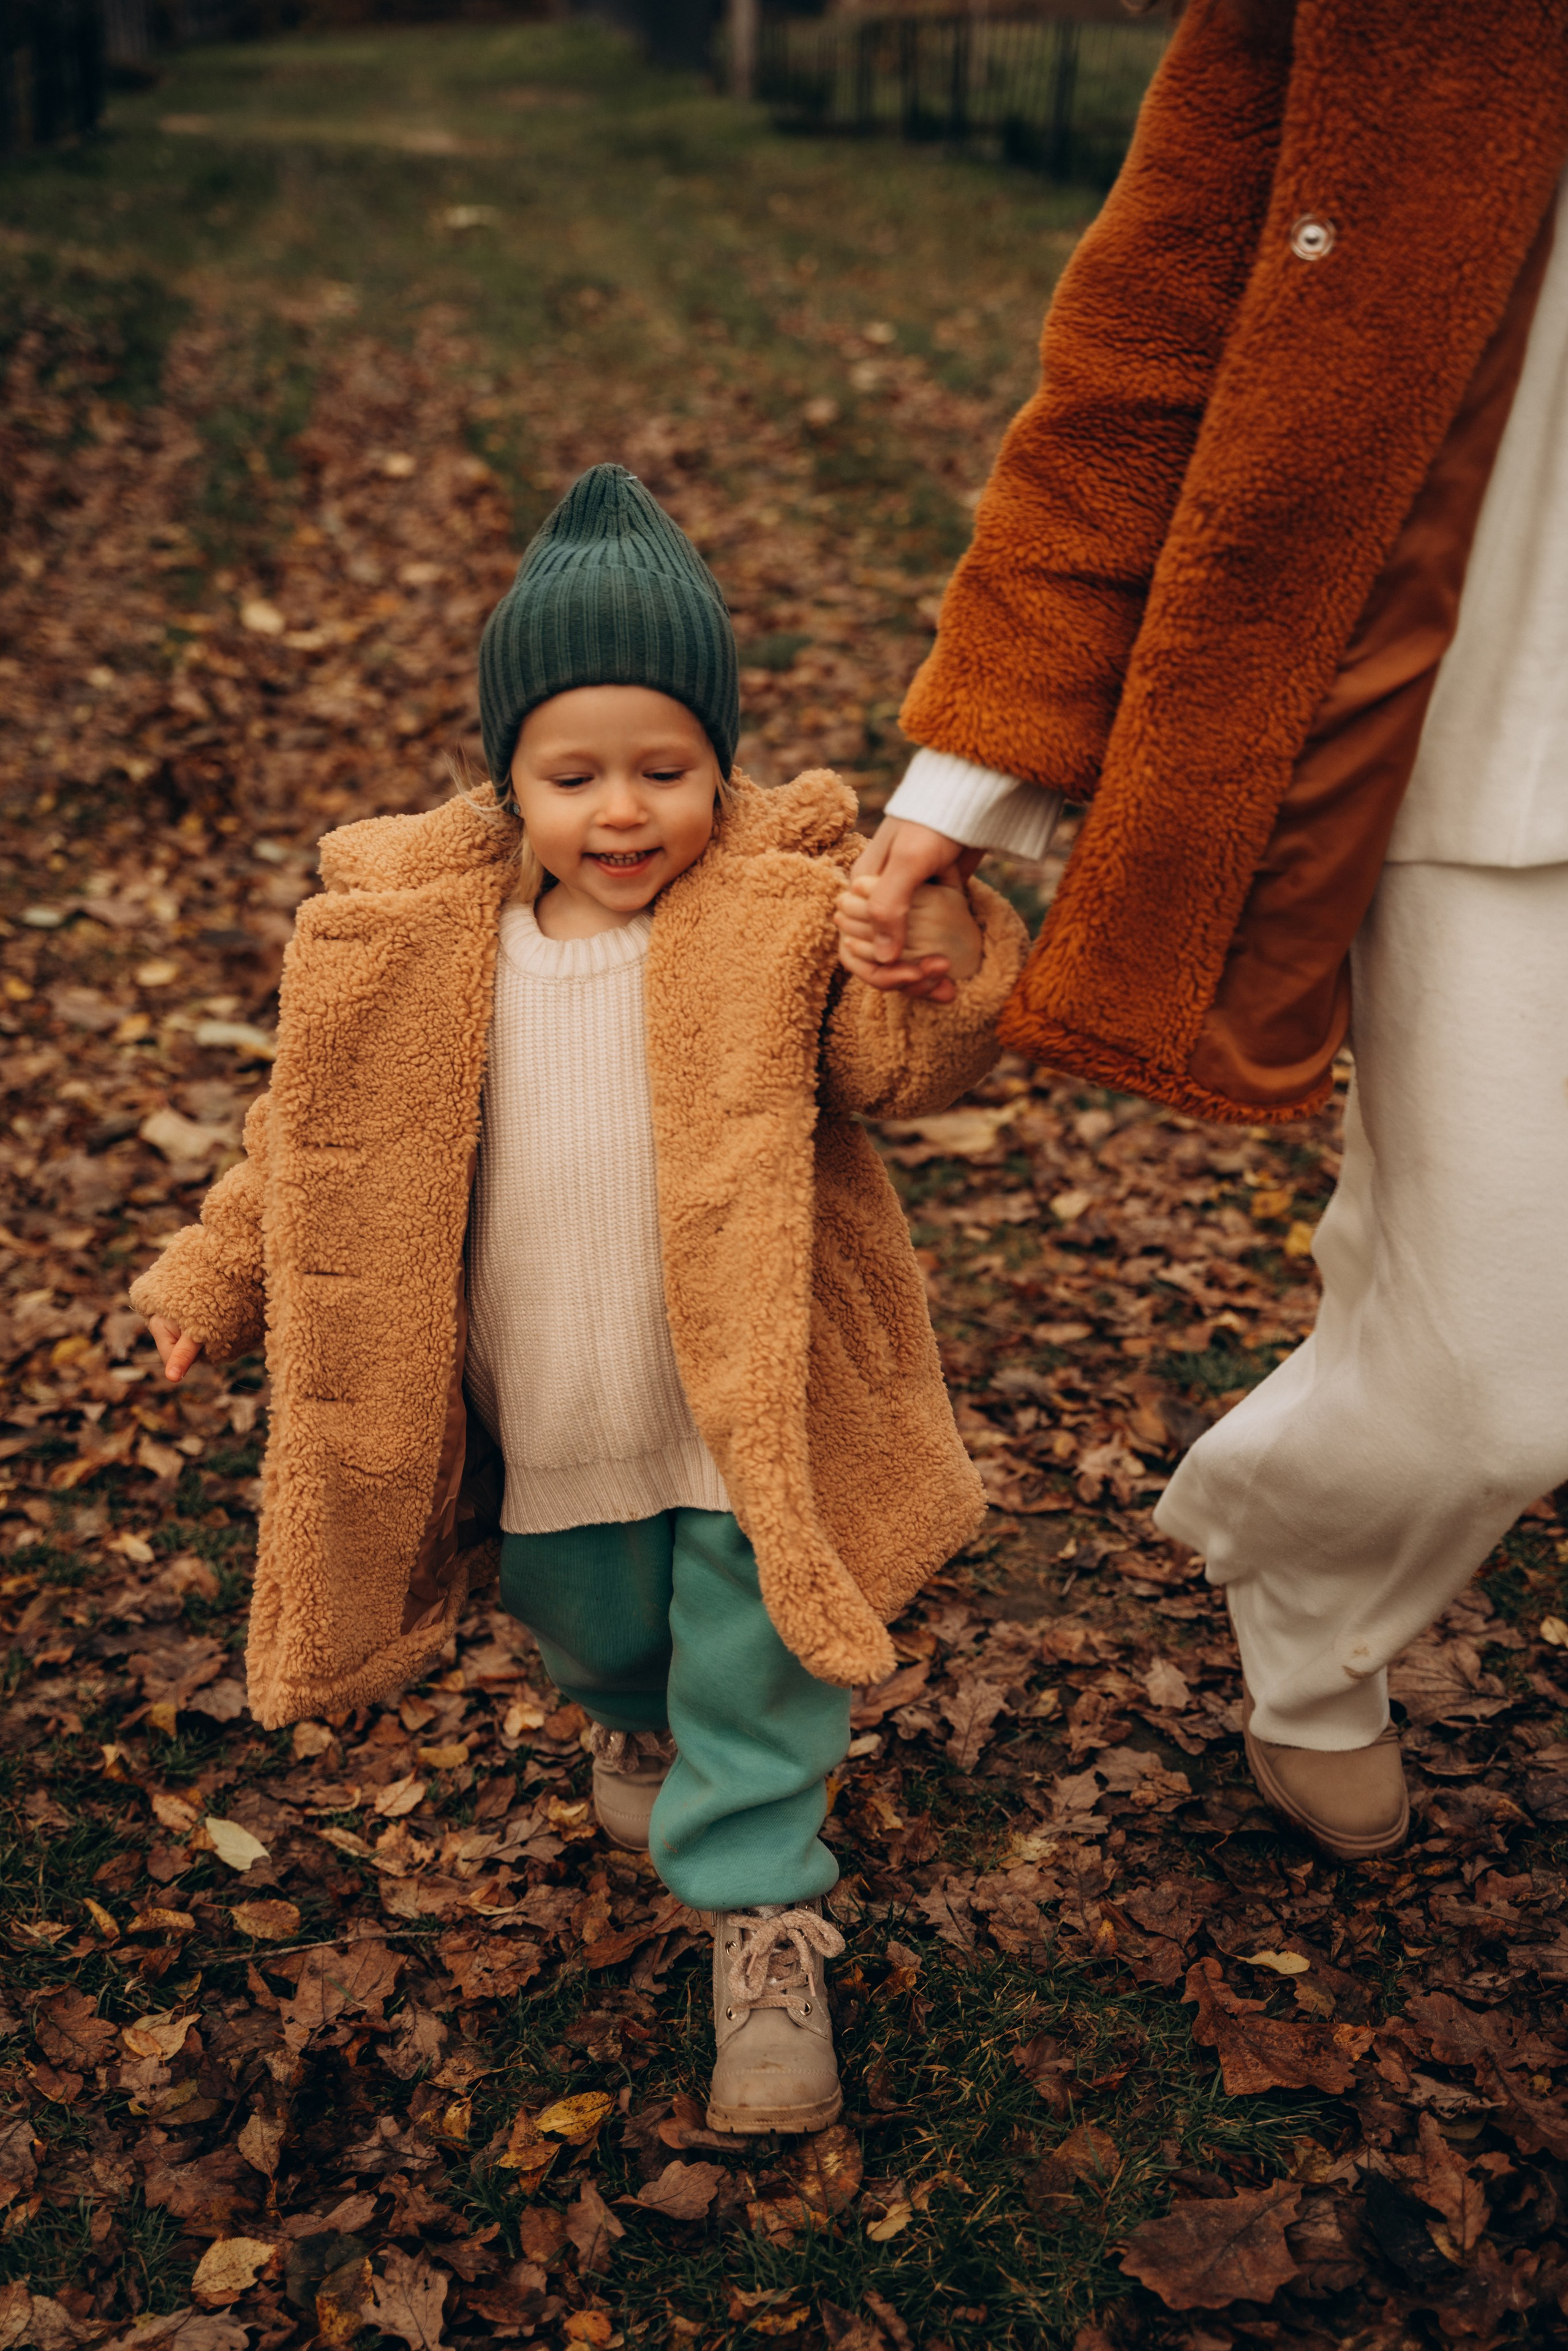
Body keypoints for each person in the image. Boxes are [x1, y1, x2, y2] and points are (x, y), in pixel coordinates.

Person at [131, 464, 1028, 2130]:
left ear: (720, 767)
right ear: (508, 781)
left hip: (735, 1389)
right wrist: (216, 1273)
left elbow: (898, 1060)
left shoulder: (776, 922)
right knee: (594, 1614)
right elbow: (305, 1141)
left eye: (666, 770)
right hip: (540, 1392)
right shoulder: (421, 946)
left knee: (753, 1643)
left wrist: (935, 953)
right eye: (577, 774)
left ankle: (760, 1910)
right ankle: (633, 1719)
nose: (625, 811)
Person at [837, 0, 1568, 1862]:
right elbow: (1141, 367)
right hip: (1489, 769)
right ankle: (1307, 1605)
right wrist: (964, 789)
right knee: (1497, 1387)